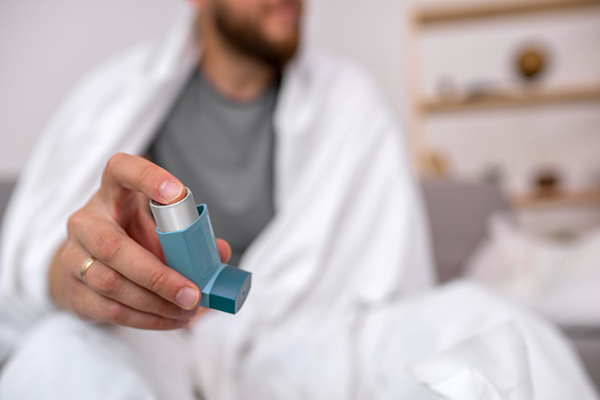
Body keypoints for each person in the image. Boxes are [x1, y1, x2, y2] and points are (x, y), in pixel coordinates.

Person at [0, 0, 596, 399]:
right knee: (58, 355)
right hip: (148, 349)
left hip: (302, 352)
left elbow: (391, 292)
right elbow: (26, 281)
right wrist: (77, 276)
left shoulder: (351, 102)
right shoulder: (110, 96)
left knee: (487, 319)